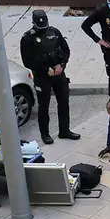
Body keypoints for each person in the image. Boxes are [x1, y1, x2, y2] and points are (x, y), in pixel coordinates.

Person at [20, 9, 81, 145]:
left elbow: (66, 50)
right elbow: (27, 61)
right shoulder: (28, 38)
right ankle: (45, 134)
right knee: (44, 106)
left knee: (64, 102)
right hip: (42, 76)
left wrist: (62, 65)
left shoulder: (54, 32)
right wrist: (45, 69)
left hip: (58, 72)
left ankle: (64, 130)